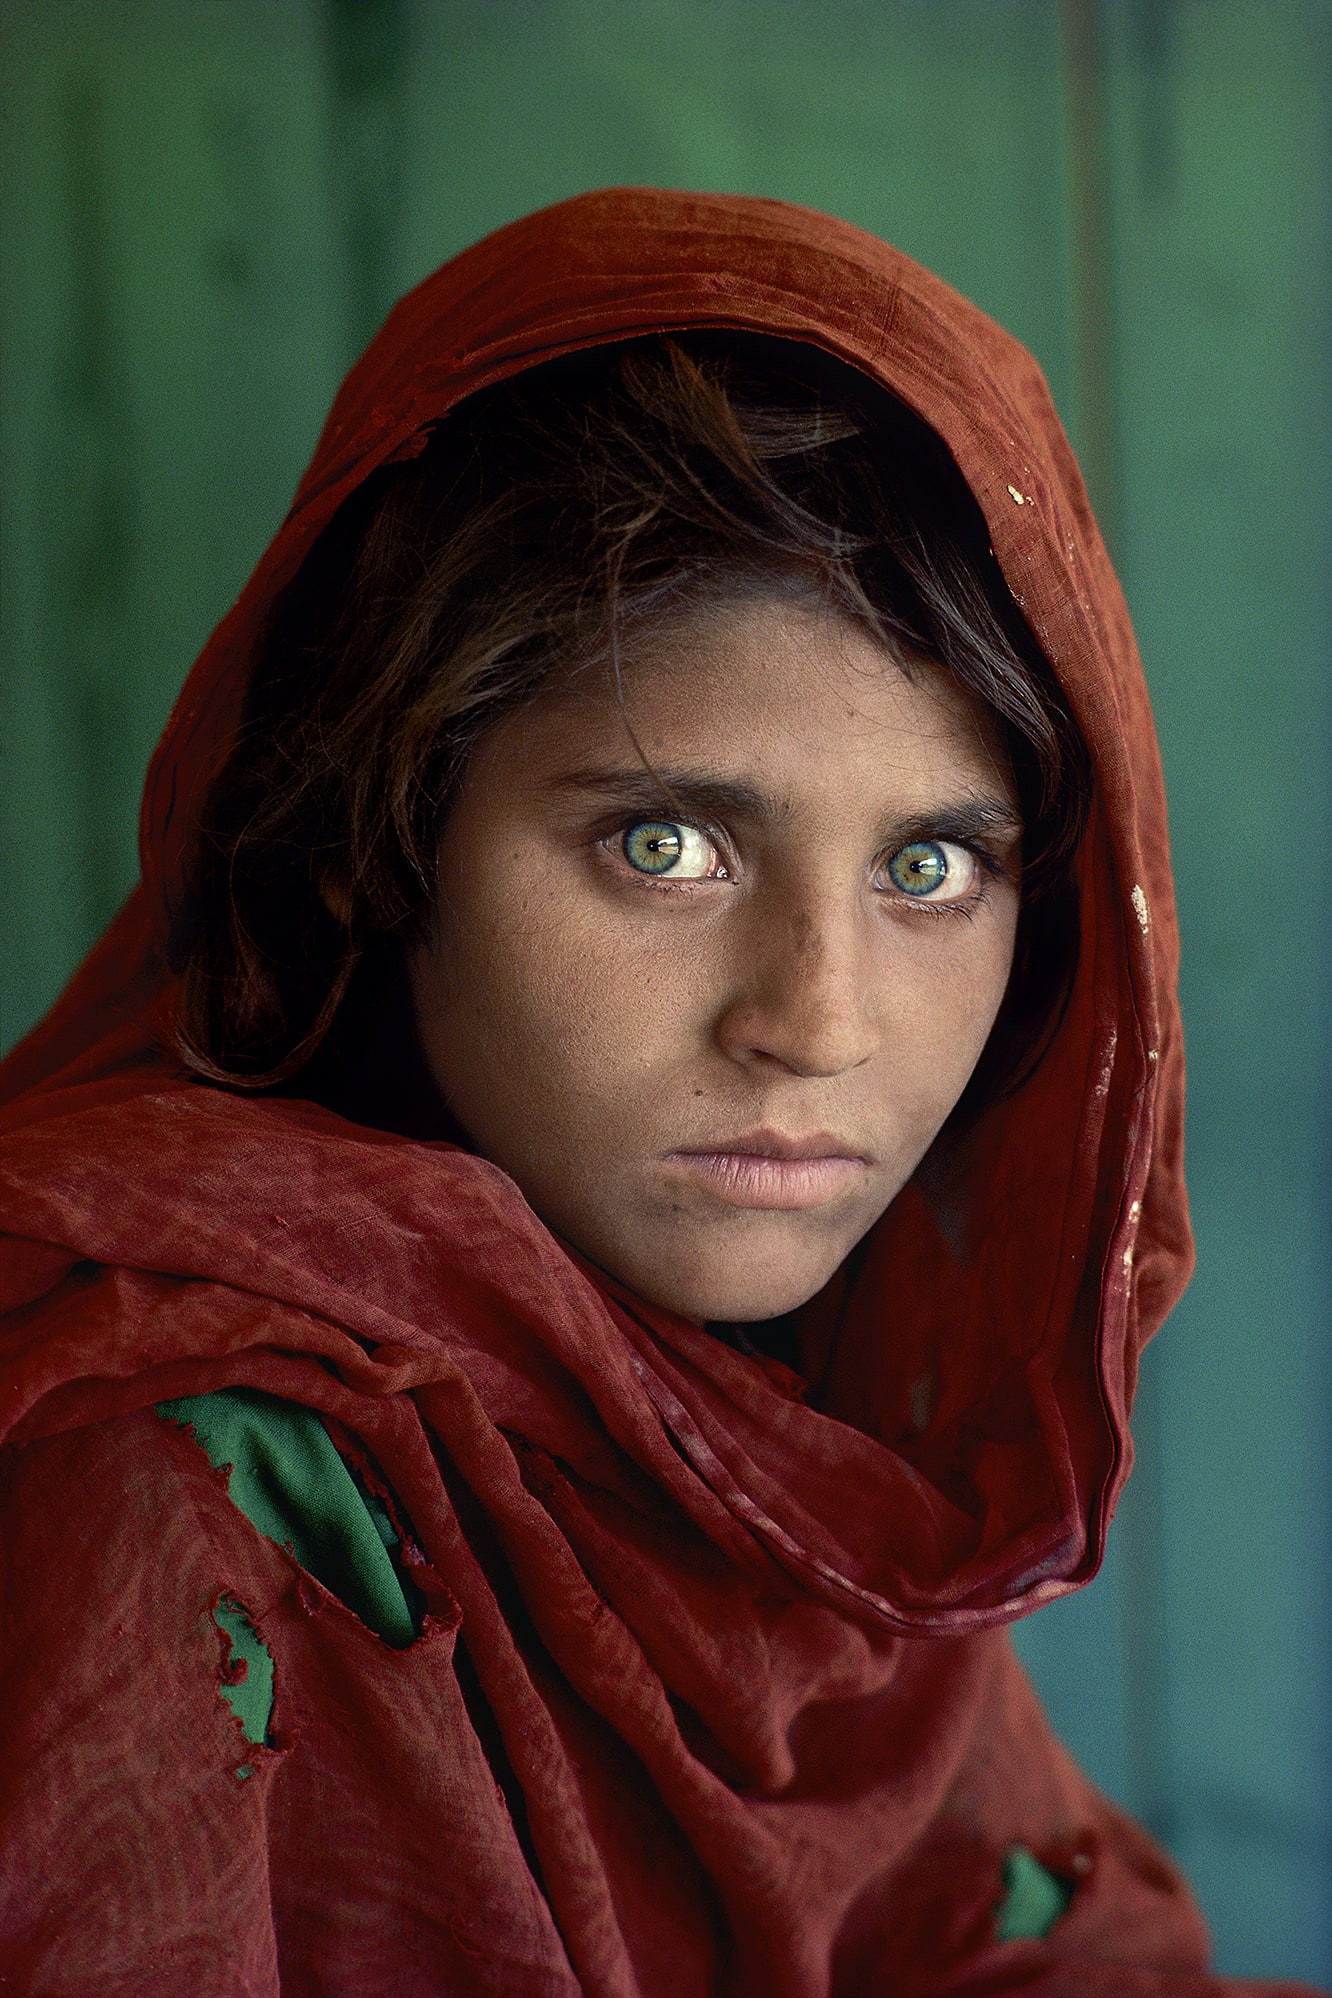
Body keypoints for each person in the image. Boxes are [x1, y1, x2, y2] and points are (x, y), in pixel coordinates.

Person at [0, 188, 1315, 1997]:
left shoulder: (791, 1464)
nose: (819, 1022)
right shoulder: (163, 1473)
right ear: (372, 842)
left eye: (930, 869)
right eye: (664, 839)